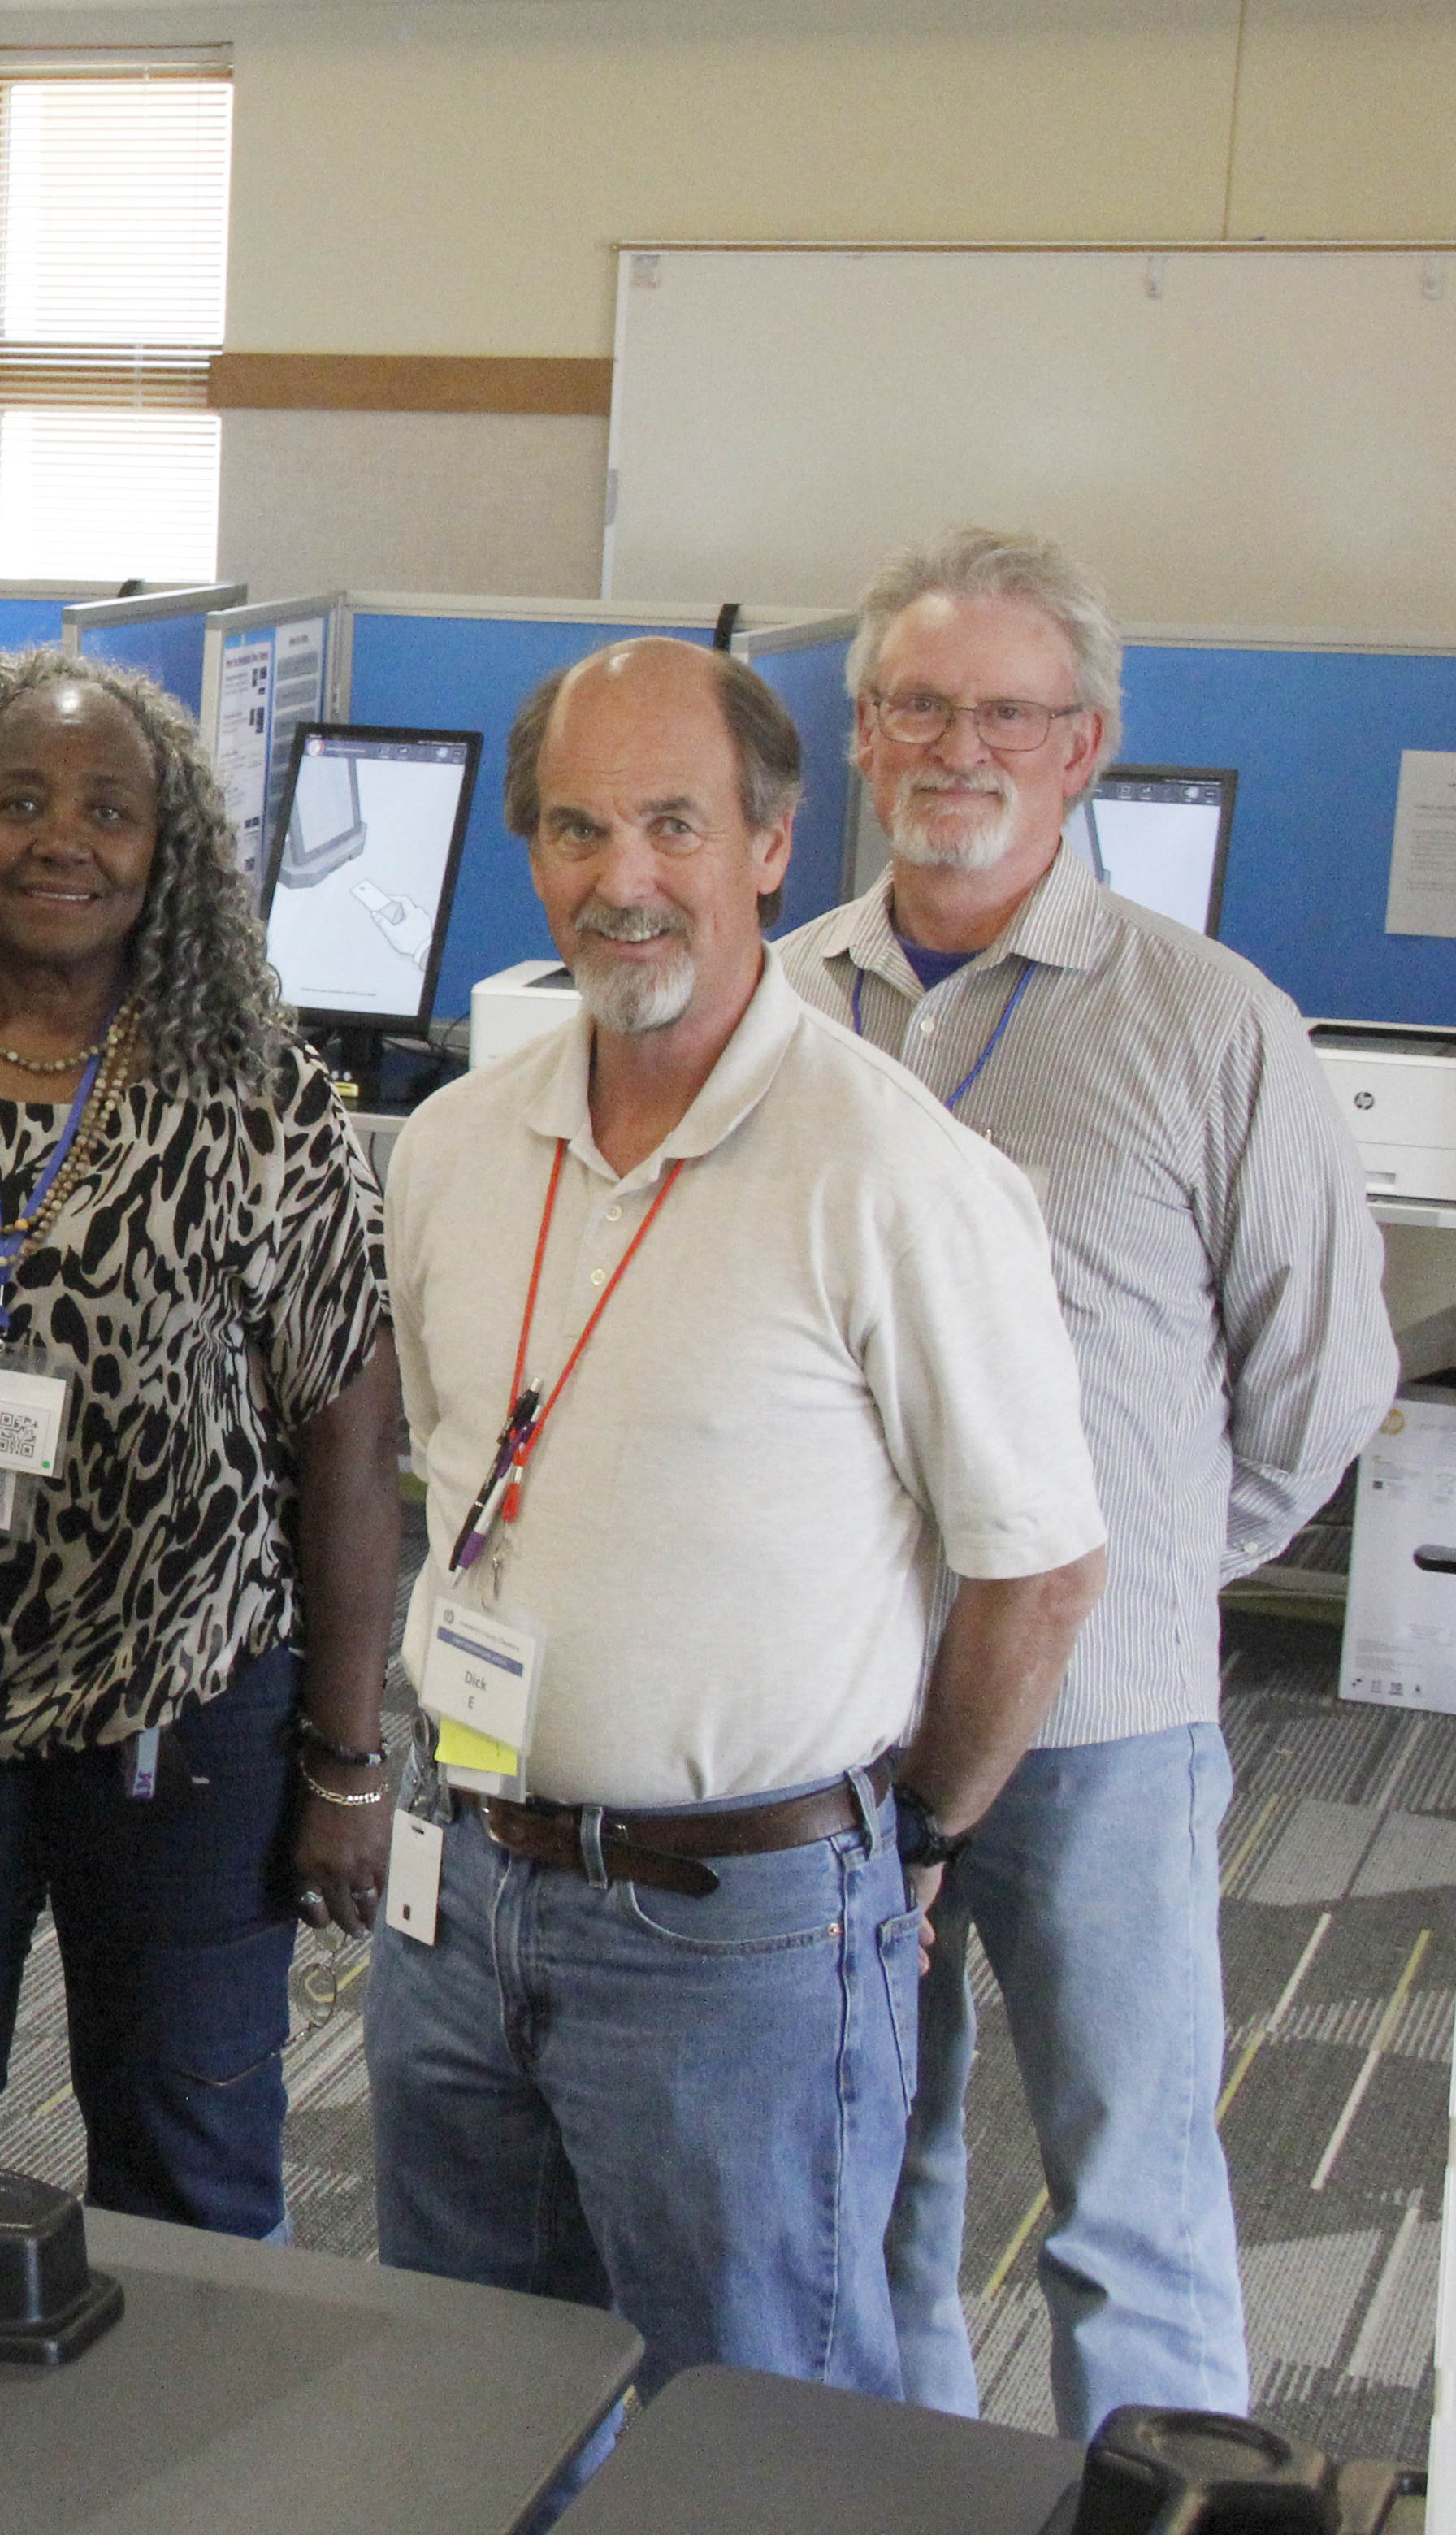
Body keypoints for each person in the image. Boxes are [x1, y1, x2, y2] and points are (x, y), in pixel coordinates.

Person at [370, 636, 1108, 2418]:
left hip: (742, 1934)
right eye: (574, 830)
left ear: (774, 848)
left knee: (753, 2436)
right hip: (460, 1887)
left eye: (672, 827)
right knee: (470, 2412)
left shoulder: (897, 1176)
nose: (621, 881)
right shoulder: (456, 1147)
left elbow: (1040, 1560)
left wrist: (910, 1836)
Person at [780, 529, 1391, 2432]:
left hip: (1103, 1721)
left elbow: (1321, 1375)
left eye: (1013, 713)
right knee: (870, 2172)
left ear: (1090, 744)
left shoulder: (1210, 1021)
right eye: (922, 705)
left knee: (1132, 2189)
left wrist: (1143, 1573)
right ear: (866, 734)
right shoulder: (777, 1004)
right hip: (841, 1704)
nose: (964, 746)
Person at [0, 650, 401, 2242]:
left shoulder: (261, 1098)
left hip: (184, 1709)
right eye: (22, 803)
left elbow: (347, 1430)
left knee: (189, 2161)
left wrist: (344, 1757)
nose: (65, 840)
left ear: (168, 848)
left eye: (110, 811)